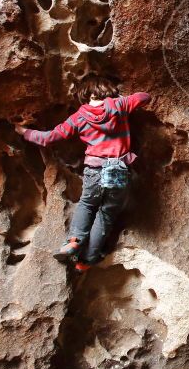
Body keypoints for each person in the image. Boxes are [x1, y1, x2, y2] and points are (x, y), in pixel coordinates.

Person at [15, 75, 151, 272]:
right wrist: (118, 98)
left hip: (94, 169)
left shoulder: (79, 117)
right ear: (107, 89)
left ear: (85, 94)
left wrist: (23, 131)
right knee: (106, 214)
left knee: (87, 204)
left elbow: (48, 137)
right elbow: (144, 97)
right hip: (118, 168)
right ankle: (86, 261)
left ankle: (73, 242)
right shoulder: (120, 105)